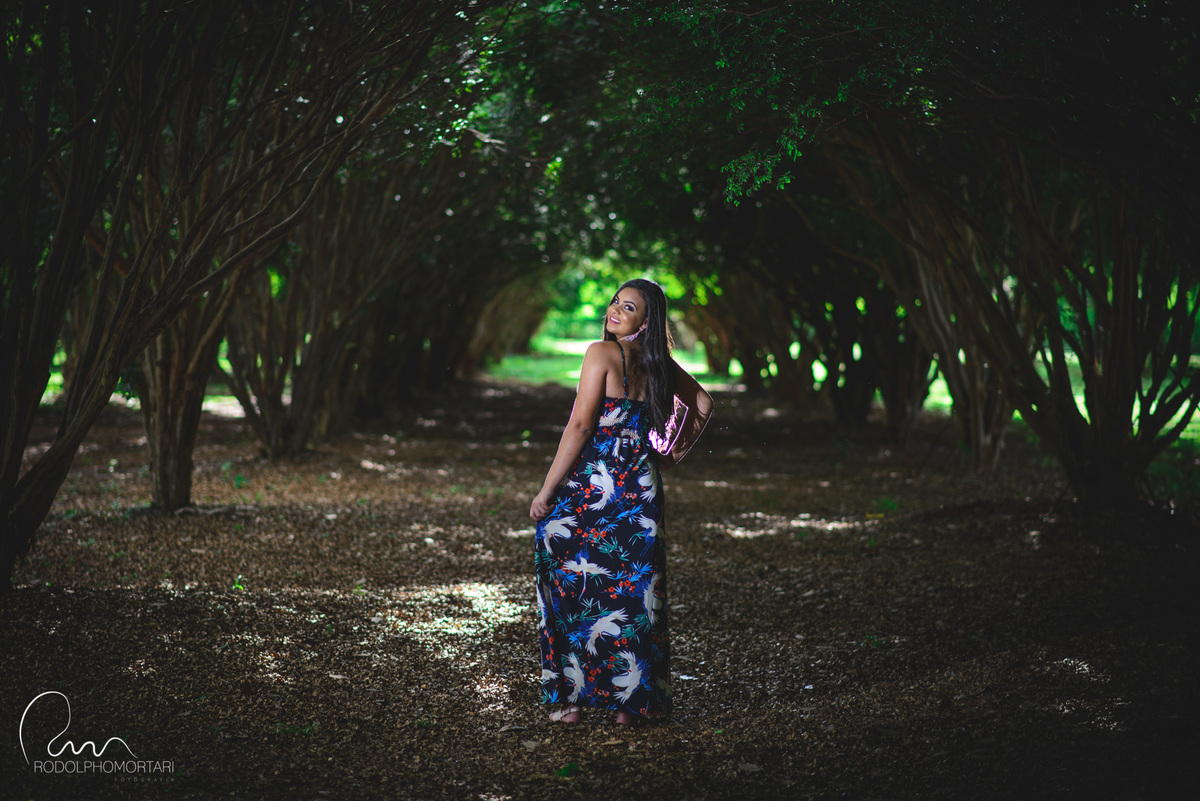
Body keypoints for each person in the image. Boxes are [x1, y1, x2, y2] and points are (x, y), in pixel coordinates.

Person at [529, 278, 713, 725]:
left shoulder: (600, 353)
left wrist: (547, 490)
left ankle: (571, 701)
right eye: (615, 301)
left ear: (646, 321)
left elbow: (580, 426)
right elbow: (703, 404)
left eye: (628, 307)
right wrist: (668, 456)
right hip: (641, 487)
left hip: (593, 484)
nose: (614, 309)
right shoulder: (659, 364)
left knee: (568, 578)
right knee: (636, 593)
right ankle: (631, 705)